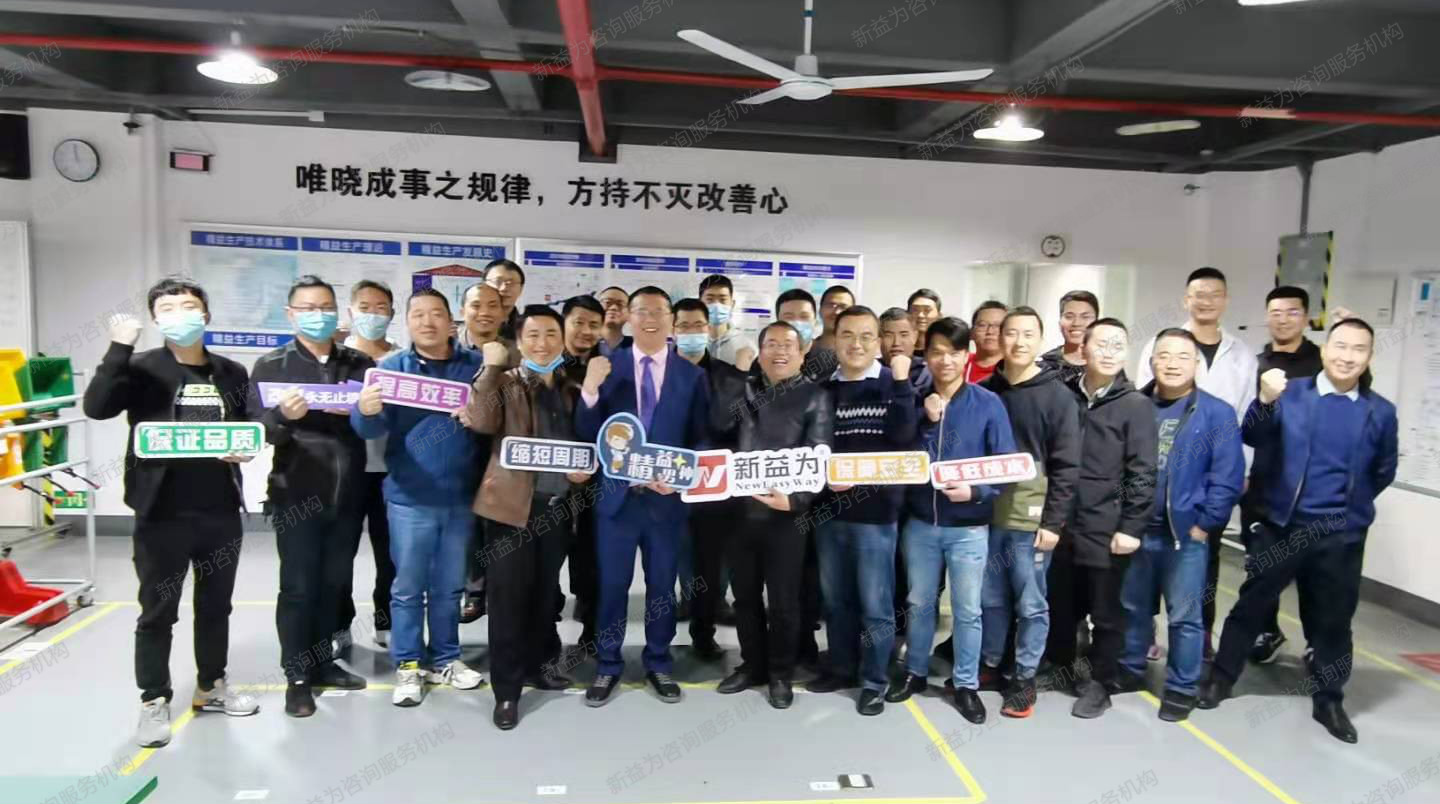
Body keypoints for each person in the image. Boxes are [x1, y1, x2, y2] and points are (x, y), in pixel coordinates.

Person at [1200, 318, 1397, 744]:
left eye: (1358, 349)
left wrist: (1350, 511)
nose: (1347, 356)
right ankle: (1221, 679)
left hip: (1340, 535)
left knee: (1333, 621)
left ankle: (1329, 699)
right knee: (1251, 606)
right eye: (1340, 346)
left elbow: (1383, 471)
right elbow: (1252, 434)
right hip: (1283, 526)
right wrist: (1264, 400)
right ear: (1324, 350)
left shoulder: (1380, 412)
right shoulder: (1291, 393)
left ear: (1369, 357)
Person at [84, 278, 260, 748]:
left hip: (219, 509)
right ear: (155, 319)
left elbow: (245, 425)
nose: (180, 314)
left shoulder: (231, 372)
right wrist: (119, 347)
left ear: (206, 315)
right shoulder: (141, 367)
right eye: (168, 308)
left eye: (189, 306)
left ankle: (212, 685)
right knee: (158, 610)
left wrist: (245, 446)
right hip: (161, 511)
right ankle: (153, 699)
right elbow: (97, 407)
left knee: (216, 605)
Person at [574, 286, 712, 707]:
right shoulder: (606, 366)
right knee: (612, 585)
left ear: (671, 320)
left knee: (661, 587)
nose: (650, 318)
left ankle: (658, 662)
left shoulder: (691, 375)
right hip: (617, 501)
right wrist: (590, 391)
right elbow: (587, 433)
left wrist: (683, 477)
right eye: (641, 311)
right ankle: (608, 664)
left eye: (658, 311)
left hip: (665, 502)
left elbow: (702, 437)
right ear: (627, 318)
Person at [353, 289, 487, 707]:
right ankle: (409, 664)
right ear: (407, 322)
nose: (428, 322)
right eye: (418, 315)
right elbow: (370, 430)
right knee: (408, 587)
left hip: (460, 497)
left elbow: (495, 421)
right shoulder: (391, 369)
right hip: (409, 497)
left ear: (451, 321)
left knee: (449, 586)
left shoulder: (476, 367)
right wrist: (365, 410)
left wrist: (480, 416)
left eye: (436, 314)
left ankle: (446, 657)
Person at [250, 275, 374, 718]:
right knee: (299, 587)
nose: (318, 315)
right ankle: (297, 677)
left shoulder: (359, 363)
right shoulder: (272, 365)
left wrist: (365, 412)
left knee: (333, 585)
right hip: (296, 495)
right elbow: (258, 430)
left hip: (348, 495)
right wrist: (282, 416)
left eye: (325, 307)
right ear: (291, 314)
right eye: (307, 308)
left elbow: (372, 426)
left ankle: (324, 663)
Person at [469, 305, 594, 730]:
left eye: (551, 335)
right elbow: (481, 421)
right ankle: (506, 692)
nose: (543, 343)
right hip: (510, 510)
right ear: (519, 343)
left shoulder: (570, 387)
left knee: (545, 595)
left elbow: (586, 442)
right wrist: (490, 369)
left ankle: (541, 666)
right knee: (507, 601)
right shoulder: (504, 383)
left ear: (562, 340)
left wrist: (583, 471)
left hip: (556, 509)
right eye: (533, 335)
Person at [887, 317, 1016, 727]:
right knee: (919, 603)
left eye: (954, 353)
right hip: (921, 523)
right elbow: (901, 454)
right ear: (926, 355)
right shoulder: (914, 399)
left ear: (967, 356)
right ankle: (915, 671)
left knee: (967, 609)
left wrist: (976, 491)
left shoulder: (988, 403)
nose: (945, 360)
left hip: (969, 527)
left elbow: (1006, 465)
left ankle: (965, 684)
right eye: (938, 352)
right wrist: (925, 419)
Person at [1115, 329, 1243, 723]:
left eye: (1182, 357)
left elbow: (1227, 476)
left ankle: (1181, 687)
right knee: (1133, 608)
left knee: (1184, 616)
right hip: (1135, 531)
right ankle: (1130, 669)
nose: (1172, 364)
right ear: (1152, 360)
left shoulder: (1217, 413)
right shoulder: (1133, 405)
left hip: (1184, 536)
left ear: (1196, 364)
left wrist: (1205, 525)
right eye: (1164, 355)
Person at [1134, 267, 1258, 655]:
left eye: (1214, 294)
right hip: (1162, 475)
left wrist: (1241, 471)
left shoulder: (1242, 354)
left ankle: (1198, 635)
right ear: (1186, 299)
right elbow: (1141, 404)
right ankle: (1146, 635)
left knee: (1204, 558)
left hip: (1212, 474)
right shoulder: (1162, 343)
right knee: (1144, 566)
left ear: (1225, 300)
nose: (1206, 301)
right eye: (1198, 294)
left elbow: (1247, 414)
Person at [712, 322, 835, 708]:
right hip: (739, 514)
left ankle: (780, 672)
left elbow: (819, 456)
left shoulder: (816, 396)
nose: (779, 352)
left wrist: (796, 500)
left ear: (802, 353)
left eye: (788, 345)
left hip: (786, 517)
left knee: (784, 601)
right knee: (744, 598)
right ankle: (752, 665)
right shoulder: (745, 389)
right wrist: (737, 380)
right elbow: (719, 426)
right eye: (771, 345)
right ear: (760, 351)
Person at [809, 306, 916, 715]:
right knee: (836, 601)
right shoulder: (823, 389)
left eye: (866, 336)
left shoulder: (893, 384)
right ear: (834, 340)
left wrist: (903, 383)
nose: (856, 344)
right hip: (828, 513)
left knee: (876, 605)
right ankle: (840, 668)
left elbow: (904, 439)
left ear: (879, 342)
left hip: (876, 516)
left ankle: (874, 681)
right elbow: (812, 448)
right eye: (847, 335)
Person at [1048, 317, 1156, 719]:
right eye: (1102, 344)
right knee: (1062, 604)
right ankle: (1063, 667)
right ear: (1083, 349)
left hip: (1107, 527)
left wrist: (1131, 527)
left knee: (1106, 613)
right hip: (1063, 524)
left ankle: (1101, 683)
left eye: (1118, 346)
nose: (1109, 353)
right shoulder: (1064, 396)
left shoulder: (1135, 405)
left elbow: (1143, 471)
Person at [978, 306, 1080, 719]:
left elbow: (1067, 465)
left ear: (1040, 340)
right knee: (989, 598)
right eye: (1011, 333)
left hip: (1030, 519)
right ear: (999, 339)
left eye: (1028, 335)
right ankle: (990, 664)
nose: (1018, 342)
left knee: (1031, 602)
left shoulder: (1058, 396)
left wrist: (1053, 521)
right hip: (985, 516)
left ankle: (1024, 678)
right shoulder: (985, 391)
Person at [1243, 286, 1324, 664]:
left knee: (1315, 572)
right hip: (1264, 484)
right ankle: (1267, 630)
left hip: (1312, 488)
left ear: (1305, 317)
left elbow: (1358, 393)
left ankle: (1317, 642)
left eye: (1292, 312)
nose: (1283, 319)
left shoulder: (1323, 362)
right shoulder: (1255, 365)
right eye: (1275, 312)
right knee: (1260, 566)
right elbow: (1246, 424)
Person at [671, 298, 750, 660]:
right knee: (668, 563)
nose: (691, 332)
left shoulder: (729, 375)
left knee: (709, 566)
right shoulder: (660, 372)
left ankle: (703, 634)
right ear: (673, 331)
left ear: (709, 329)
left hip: (712, 488)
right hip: (666, 484)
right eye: (683, 326)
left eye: (698, 325)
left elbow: (731, 427)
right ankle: (661, 640)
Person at [340, 279, 402, 650]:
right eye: (365, 307)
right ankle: (339, 624)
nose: (373, 314)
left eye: (381, 308)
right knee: (340, 552)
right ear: (351, 312)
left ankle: (386, 620)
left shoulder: (402, 359)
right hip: (345, 471)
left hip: (391, 470)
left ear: (392, 314)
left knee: (390, 553)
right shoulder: (337, 358)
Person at [456, 282, 516, 624]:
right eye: (477, 305)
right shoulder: (449, 352)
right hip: (459, 449)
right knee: (468, 526)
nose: (485, 312)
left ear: (504, 312)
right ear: (463, 310)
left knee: (501, 524)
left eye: (494, 305)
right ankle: (474, 591)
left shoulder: (515, 354)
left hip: (502, 450)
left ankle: (502, 592)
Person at [557, 294, 606, 647]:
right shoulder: (546, 366)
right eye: (578, 323)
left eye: (594, 325)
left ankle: (591, 630)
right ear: (564, 324)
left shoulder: (608, 367)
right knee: (545, 560)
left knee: (592, 558)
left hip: (597, 480)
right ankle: (544, 633)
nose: (586, 331)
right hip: (550, 479)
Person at [776, 288, 836, 383]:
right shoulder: (766, 360)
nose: (797, 323)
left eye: (804, 317)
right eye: (789, 317)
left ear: (815, 321)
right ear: (777, 322)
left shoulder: (831, 361)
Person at [1040, 290, 1098, 385]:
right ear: (1059, 322)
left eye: (1085, 317)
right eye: (1069, 316)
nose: (1077, 323)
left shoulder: (1106, 363)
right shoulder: (1045, 365)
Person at [699, 274, 749, 366]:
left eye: (723, 299)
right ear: (700, 304)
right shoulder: (688, 342)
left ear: (732, 304)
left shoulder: (745, 346)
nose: (716, 305)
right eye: (710, 299)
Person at [880, 307, 932, 389]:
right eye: (888, 336)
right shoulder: (870, 370)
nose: (896, 343)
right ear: (878, 339)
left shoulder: (927, 372)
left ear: (915, 336)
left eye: (904, 335)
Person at [483, 258, 526, 340]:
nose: (504, 288)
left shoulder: (528, 328)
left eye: (511, 283)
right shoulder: (468, 327)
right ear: (483, 285)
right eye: (498, 281)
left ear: (521, 289)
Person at [966, 301, 1008, 384]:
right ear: (971, 332)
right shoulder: (958, 364)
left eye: (998, 326)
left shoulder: (1015, 369)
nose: (990, 331)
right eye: (982, 325)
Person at [812, 284, 855, 353]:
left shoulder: (859, 354)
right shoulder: (803, 352)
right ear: (820, 310)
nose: (836, 312)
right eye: (831, 305)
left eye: (843, 307)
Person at [597, 286, 632, 355]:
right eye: (607, 302)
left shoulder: (638, 346)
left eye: (620, 304)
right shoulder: (584, 344)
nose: (614, 308)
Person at [907, 289, 943, 357]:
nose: (920, 315)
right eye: (915, 310)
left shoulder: (944, 349)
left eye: (927, 310)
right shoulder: (899, 348)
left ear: (939, 316)